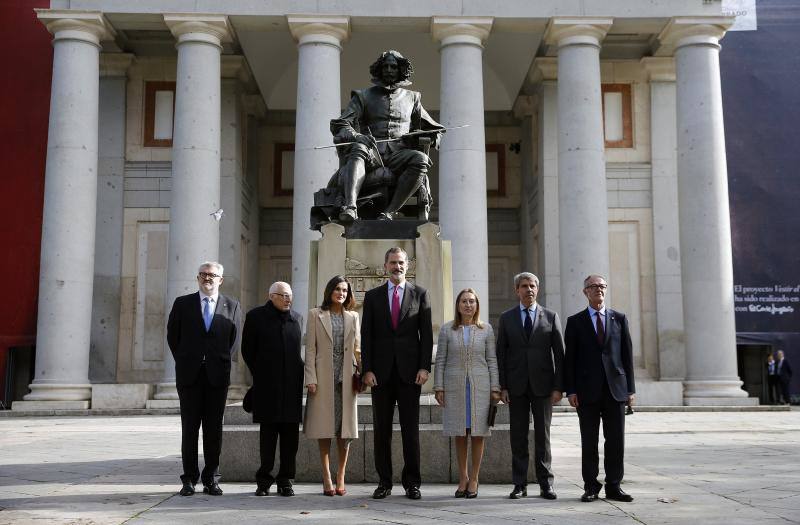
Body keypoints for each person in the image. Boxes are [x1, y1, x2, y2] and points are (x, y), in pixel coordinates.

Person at [330, 50, 444, 222]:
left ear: (401, 70)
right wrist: (356, 136)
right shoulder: (363, 96)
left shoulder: (413, 98)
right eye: (385, 66)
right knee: (359, 148)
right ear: (379, 70)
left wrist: (420, 135)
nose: (389, 70)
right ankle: (350, 208)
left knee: (420, 159)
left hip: (399, 155)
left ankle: (390, 212)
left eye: (393, 66)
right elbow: (341, 124)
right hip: (371, 152)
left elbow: (435, 131)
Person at [361, 246, 433, 499]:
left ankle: (412, 482)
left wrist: (425, 366)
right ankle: (384, 482)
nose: (397, 267)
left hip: (410, 374)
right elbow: (366, 335)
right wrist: (366, 369)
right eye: (392, 263)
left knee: (410, 431)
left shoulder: (420, 294)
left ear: (408, 266)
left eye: (401, 262)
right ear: (385, 266)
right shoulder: (372, 297)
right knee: (382, 431)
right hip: (380, 374)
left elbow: (426, 335)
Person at [167, 261, 242, 497]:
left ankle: (211, 478)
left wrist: (217, 362)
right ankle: (189, 478)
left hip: (217, 378)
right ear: (197, 278)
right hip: (189, 377)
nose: (207, 278)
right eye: (203, 274)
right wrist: (187, 359)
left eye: (212, 275)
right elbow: (173, 337)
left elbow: (234, 341)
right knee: (189, 428)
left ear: (221, 279)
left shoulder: (232, 305)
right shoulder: (183, 304)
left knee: (213, 430)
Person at [564, 275, 636, 503]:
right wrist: (571, 390)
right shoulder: (575, 321)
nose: (599, 290)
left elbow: (627, 356)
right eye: (593, 287)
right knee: (589, 441)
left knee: (616, 441)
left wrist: (630, 390)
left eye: (602, 286)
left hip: (616, 390)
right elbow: (570, 360)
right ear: (585, 291)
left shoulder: (619, 318)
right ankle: (591, 486)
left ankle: (614, 486)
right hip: (587, 391)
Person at [496, 272, 564, 501]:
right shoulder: (507, 318)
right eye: (524, 286)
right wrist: (503, 386)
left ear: (538, 289)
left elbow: (560, 356)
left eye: (532, 286)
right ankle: (519, 484)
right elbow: (501, 355)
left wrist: (558, 387)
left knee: (543, 437)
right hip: (515, 387)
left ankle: (546, 484)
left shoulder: (551, 317)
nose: (529, 290)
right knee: (518, 436)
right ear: (517, 290)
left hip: (543, 387)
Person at [434, 289, 501, 499]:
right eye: (464, 301)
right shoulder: (447, 330)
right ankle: (462, 478)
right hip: (454, 386)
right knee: (460, 432)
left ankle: (474, 478)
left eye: (472, 301)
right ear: (458, 305)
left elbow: (492, 360)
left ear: (477, 305)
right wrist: (438, 387)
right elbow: (441, 360)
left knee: (478, 433)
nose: (468, 305)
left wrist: (495, 388)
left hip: (480, 386)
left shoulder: (486, 329)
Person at [241, 282, 304, 497]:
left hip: (292, 389)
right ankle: (264, 481)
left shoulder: (297, 318)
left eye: (289, 296)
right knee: (268, 437)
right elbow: (247, 350)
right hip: (267, 387)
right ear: (271, 296)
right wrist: (261, 373)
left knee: (290, 438)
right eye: (283, 295)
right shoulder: (256, 317)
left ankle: (286, 480)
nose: (288, 299)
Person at [304, 276, 361, 496]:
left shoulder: (353, 316)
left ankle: (341, 476)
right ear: (330, 291)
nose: (341, 293)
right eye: (337, 289)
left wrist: (361, 372)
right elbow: (310, 349)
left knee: (344, 431)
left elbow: (357, 348)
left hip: (346, 378)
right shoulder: (315, 314)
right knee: (324, 428)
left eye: (345, 290)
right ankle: (327, 475)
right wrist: (311, 378)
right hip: (323, 377)